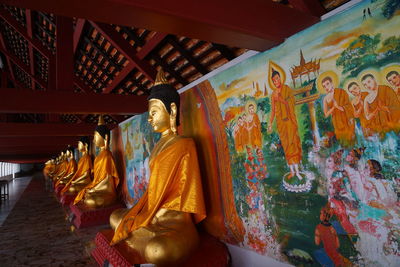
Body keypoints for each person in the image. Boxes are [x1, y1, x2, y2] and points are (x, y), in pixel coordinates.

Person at [109, 70, 206, 266]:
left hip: (175, 221)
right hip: (153, 216)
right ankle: (143, 233)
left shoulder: (185, 144)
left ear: (172, 109)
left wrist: (152, 216)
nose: (150, 119)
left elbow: (186, 196)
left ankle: (147, 239)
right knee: (116, 217)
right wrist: (145, 214)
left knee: (158, 250)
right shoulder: (158, 146)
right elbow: (154, 191)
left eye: (154, 112)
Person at [73, 116, 119, 208]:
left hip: (106, 190)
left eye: (96, 137)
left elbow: (108, 181)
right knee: (84, 194)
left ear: (105, 138)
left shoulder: (107, 155)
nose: (94, 140)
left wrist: (93, 189)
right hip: (98, 188)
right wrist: (92, 188)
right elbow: (95, 179)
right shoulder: (98, 157)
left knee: (91, 200)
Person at [268, 65, 302, 179]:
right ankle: (292, 171)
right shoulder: (273, 94)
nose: (276, 81)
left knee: (293, 143)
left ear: (280, 78)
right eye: (273, 81)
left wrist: (280, 99)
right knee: (286, 145)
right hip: (281, 123)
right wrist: (269, 123)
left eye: (277, 79)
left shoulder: (287, 89)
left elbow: (290, 102)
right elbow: (273, 110)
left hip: (289, 122)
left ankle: (297, 170)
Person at [322, 75, 355, 146]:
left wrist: (338, 107)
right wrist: (334, 107)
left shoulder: (341, 92)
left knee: (351, 140)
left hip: (346, 119)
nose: (326, 87)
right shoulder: (325, 99)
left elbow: (349, 106)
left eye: (327, 84)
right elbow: (326, 114)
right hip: (336, 121)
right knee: (342, 141)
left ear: (332, 83)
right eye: (324, 86)